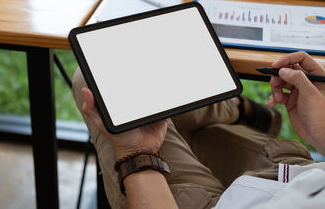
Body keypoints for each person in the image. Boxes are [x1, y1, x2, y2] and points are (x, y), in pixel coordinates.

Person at [72, 51, 325, 208]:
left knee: (98, 80)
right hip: (295, 172)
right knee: (168, 116)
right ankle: (238, 110)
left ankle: (236, 109)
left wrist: (137, 155)